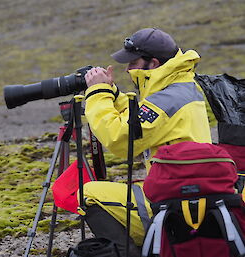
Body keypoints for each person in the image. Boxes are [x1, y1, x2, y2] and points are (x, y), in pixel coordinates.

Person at [80, 28, 213, 257]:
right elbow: (141, 120)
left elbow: (120, 139)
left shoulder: (167, 100)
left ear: (152, 64)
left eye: (133, 62)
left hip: (174, 202)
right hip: (189, 192)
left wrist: (98, 93)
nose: (127, 69)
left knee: (88, 194)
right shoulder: (179, 87)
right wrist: (113, 93)